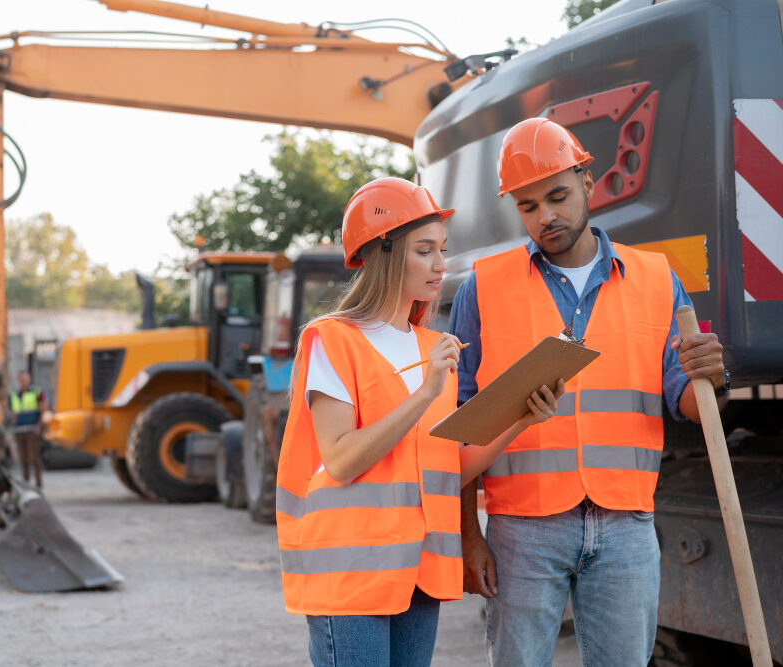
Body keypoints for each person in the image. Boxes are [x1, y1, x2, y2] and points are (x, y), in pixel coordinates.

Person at [448, 117, 729, 666]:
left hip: (626, 525)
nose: (546, 217)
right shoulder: (482, 288)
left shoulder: (656, 279)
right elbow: (459, 424)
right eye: (528, 207)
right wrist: (467, 535)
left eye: (556, 196)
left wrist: (710, 376)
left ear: (587, 180)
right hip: (521, 529)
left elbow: (688, 401)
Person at [275, 177, 564, 667]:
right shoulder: (331, 340)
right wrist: (425, 392)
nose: (440, 265)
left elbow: (449, 466)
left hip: (420, 571)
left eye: (442, 250)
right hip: (350, 574)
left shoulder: (434, 348)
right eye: (424, 250)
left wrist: (521, 418)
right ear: (385, 255)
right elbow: (342, 459)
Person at [10, 370, 47, 488]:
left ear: (29, 379)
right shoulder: (15, 395)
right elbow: (14, 414)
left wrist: (39, 426)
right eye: (21, 379)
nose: (23, 381)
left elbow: (43, 410)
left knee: (34, 459)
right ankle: (26, 484)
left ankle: (38, 484)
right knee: (23, 460)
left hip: (32, 431)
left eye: (25, 379)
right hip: (20, 432)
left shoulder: (36, 393)